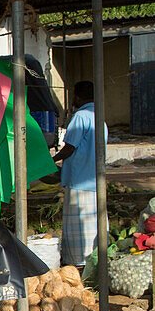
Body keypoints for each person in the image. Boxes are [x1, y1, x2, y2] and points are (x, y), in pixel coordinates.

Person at [54, 81, 107, 268]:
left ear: (77, 97)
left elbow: (69, 147)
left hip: (79, 181)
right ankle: (94, 261)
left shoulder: (81, 116)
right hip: (95, 181)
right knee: (95, 225)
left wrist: (52, 160)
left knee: (77, 228)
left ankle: (78, 263)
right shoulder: (99, 116)